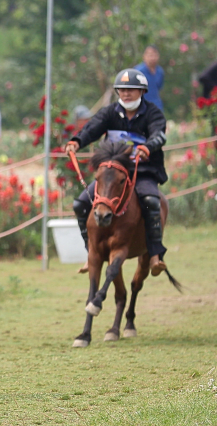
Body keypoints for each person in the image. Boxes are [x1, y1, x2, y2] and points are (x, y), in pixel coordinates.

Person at [65, 68, 169, 277]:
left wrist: (148, 147)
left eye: (131, 90)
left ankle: (155, 255)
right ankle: (91, 253)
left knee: (151, 200)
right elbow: (91, 128)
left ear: (142, 92)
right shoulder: (109, 112)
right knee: (80, 204)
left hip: (142, 171)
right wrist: (76, 141)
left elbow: (160, 135)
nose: (126, 94)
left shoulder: (152, 113)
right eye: (122, 90)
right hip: (113, 175)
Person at [134, 45, 164, 112]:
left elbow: (159, 88)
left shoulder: (160, 72)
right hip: (141, 107)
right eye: (150, 55)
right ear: (144, 56)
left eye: (155, 55)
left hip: (156, 106)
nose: (153, 58)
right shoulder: (138, 71)